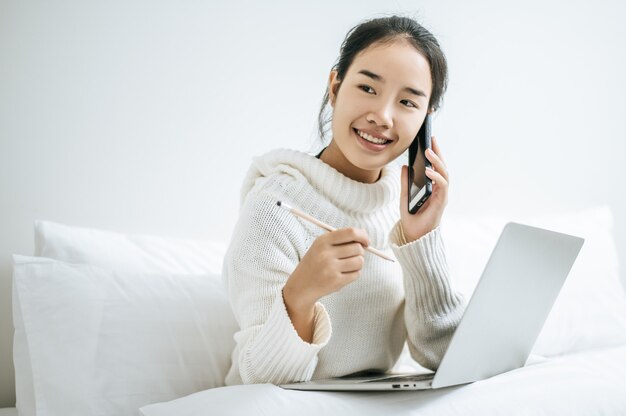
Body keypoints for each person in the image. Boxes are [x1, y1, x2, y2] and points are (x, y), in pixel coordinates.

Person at [222, 14, 466, 386]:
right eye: (368, 88)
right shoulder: (273, 208)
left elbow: (444, 357)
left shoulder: (402, 212)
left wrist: (421, 241)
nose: (382, 117)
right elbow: (259, 382)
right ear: (334, 87)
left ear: (425, 121)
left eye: (407, 102)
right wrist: (300, 297)